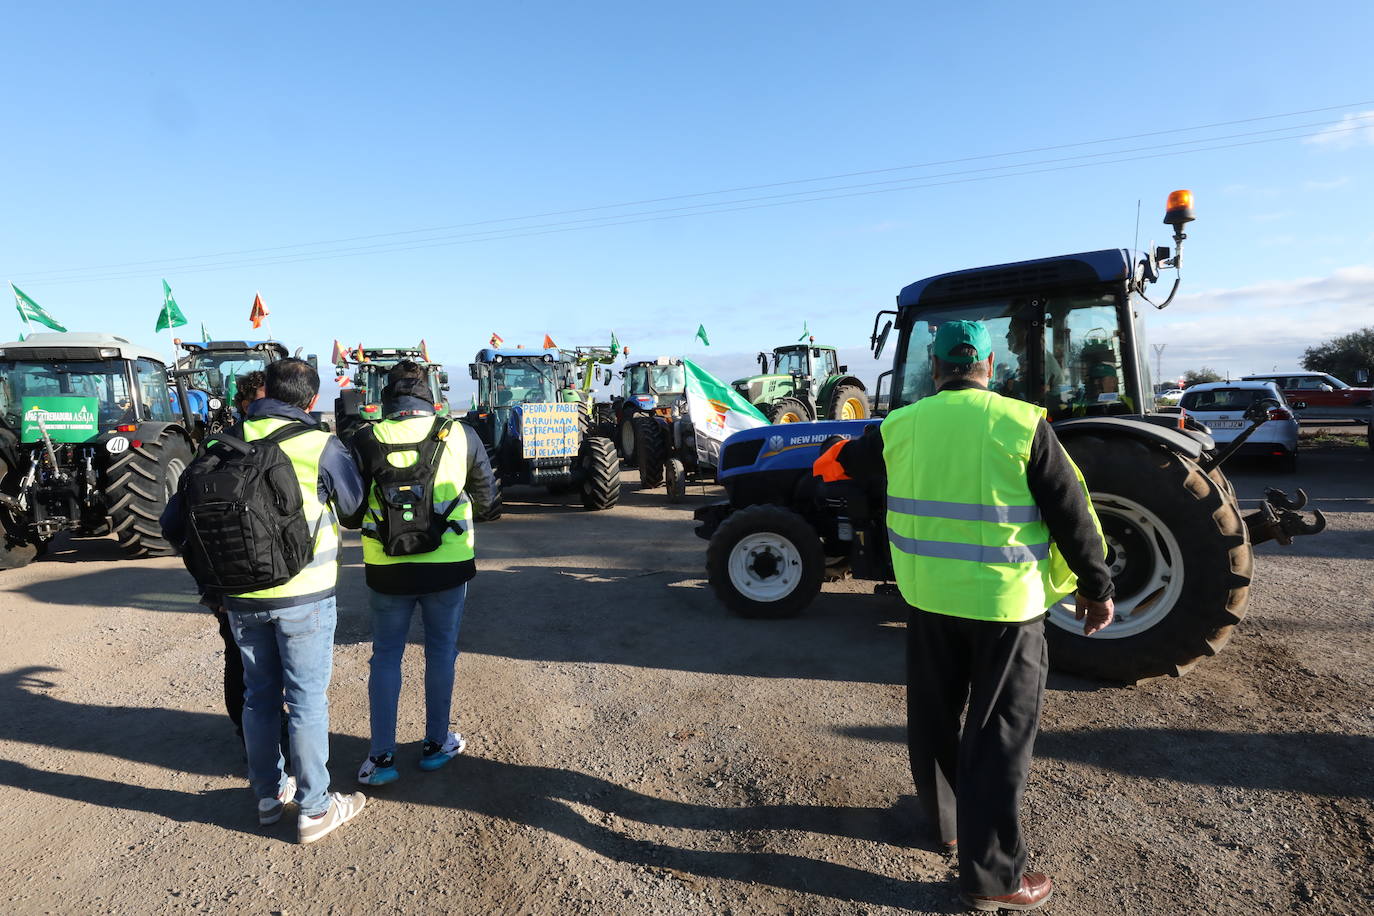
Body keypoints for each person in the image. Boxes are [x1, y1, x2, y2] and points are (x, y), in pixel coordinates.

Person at [813, 320, 1115, 911]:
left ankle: (946, 823)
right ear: (990, 362)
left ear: (934, 366)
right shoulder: (1022, 423)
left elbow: (845, 464)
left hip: (928, 600)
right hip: (1007, 608)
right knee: (999, 735)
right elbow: (1072, 515)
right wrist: (1096, 585)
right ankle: (994, 878)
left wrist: (828, 458)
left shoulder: (899, 424)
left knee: (933, 718)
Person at [163, 358, 367, 844]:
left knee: (258, 698)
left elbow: (172, 525)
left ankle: (269, 795)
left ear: (265, 392)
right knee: (305, 701)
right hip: (305, 595)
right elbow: (355, 509)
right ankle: (316, 809)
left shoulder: (216, 445)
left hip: (238, 597)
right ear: (312, 400)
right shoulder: (319, 443)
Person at [342, 360, 497, 786]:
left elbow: (352, 516)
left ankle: (381, 756)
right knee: (441, 651)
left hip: (387, 568)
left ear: (386, 394)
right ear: (429, 392)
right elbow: (487, 501)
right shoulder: (460, 434)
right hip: (448, 564)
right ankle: (435, 743)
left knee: (386, 655)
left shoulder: (365, 438)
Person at [204, 369, 269, 741]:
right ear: (243, 405)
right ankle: (252, 739)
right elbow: (178, 524)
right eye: (260, 402)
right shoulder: (217, 450)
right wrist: (212, 588)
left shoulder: (220, 446)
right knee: (240, 660)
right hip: (233, 585)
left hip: (288, 584)